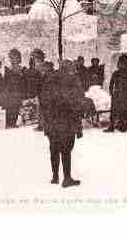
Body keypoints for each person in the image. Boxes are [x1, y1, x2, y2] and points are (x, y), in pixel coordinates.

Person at [41, 60, 83, 188]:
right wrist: (78, 126)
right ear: (68, 69)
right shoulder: (72, 81)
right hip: (67, 122)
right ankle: (67, 178)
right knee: (66, 150)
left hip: (51, 122)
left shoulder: (49, 79)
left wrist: (45, 121)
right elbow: (76, 104)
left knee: (54, 149)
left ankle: (55, 177)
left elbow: (43, 100)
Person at [105, 54, 127, 132]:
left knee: (125, 110)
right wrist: (111, 92)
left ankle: (125, 125)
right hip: (119, 94)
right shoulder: (117, 73)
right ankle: (114, 125)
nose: (122, 65)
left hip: (125, 94)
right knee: (116, 110)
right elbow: (111, 83)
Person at [3, 49, 25, 129]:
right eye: (12, 58)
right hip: (10, 91)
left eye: (16, 57)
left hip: (18, 90)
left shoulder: (22, 69)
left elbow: (23, 81)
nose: (14, 59)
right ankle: (8, 123)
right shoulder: (7, 69)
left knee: (16, 107)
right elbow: (5, 81)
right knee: (9, 107)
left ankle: (13, 122)